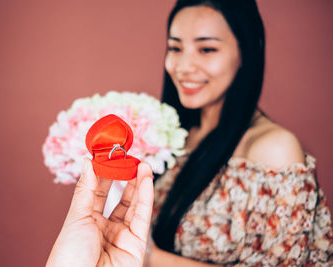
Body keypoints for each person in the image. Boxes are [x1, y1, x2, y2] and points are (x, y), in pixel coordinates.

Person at [47, 0, 333, 266]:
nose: (183, 66)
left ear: (246, 52)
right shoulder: (171, 138)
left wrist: (152, 257)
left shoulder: (273, 148)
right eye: (175, 48)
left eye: (207, 49)